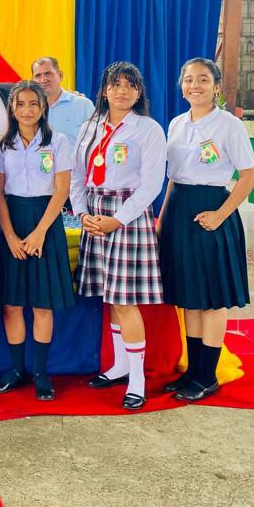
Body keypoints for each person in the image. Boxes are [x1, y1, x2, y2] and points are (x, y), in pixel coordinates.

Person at [159, 58, 254, 402]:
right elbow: (173, 178)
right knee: (190, 296)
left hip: (212, 210)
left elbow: (248, 175)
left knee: (212, 299)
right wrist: (162, 218)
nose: (194, 86)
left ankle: (207, 375)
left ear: (216, 87)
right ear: (181, 85)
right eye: (188, 80)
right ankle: (192, 371)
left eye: (203, 80)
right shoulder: (176, 124)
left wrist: (220, 215)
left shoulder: (229, 125)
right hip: (179, 210)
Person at [71, 62, 166, 411]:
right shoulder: (89, 127)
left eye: (130, 85)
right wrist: (82, 213)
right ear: (104, 90)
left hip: (128, 215)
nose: (122, 91)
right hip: (95, 213)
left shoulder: (148, 130)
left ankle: (137, 381)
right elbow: (77, 176)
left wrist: (118, 220)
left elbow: (152, 184)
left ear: (139, 93)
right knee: (110, 298)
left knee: (125, 300)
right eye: (115, 84)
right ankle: (119, 367)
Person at [0, 80, 75, 401]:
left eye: (33, 104)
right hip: (12, 221)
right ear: (12, 108)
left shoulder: (58, 142)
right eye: (21, 104)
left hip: (46, 223)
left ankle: (41, 372)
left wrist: (40, 232)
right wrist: (11, 237)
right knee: (12, 304)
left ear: (43, 108)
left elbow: (62, 190)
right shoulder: (1, 145)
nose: (27, 110)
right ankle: (16, 370)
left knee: (42, 304)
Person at [31, 56, 95, 163]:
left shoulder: (83, 105)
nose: (43, 80)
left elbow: (96, 143)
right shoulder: (28, 109)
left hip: (73, 172)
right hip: (38, 172)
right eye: (38, 75)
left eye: (48, 73)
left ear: (60, 75)